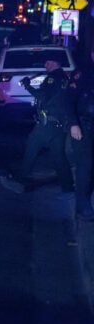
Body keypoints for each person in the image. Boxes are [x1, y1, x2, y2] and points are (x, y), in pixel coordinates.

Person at [0, 59, 78, 201]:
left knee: (31, 146)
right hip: (58, 124)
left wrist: (27, 86)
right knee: (59, 156)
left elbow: (42, 96)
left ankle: (20, 179)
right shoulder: (64, 79)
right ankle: (67, 187)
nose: (45, 66)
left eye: (48, 63)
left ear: (56, 64)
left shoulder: (52, 78)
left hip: (47, 125)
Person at [68, 48, 94, 220]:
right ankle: (82, 206)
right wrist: (73, 124)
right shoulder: (82, 73)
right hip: (84, 124)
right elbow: (68, 100)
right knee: (85, 165)